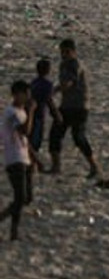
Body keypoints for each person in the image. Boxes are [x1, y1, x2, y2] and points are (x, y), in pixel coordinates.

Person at [48, 39, 101, 178]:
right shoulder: (63, 65)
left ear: (73, 51)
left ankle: (94, 166)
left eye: (67, 52)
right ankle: (56, 166)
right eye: (62, 52)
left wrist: (54, 90)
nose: (64, 54)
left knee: (78, 137)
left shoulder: (75, 64)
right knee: (55, 134)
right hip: (66, 105)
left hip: (79, 106)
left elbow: (68, 83)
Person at [0, 80, 31, 242]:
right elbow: (24, 130)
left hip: (24, 157)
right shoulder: (11, 113)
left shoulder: (21, 112)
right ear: (16, 94)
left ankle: (12, 229)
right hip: (14, 158)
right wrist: (31, 112)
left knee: (25, 198)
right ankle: (13, 232)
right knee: (20, 197)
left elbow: (25, 138)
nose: (27, 97)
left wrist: (35, 159)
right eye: (25, 93)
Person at [28, 59, 53, 173]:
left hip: (30, 114)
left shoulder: (33, 83)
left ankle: (32, 164)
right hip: (38, 114)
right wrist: (56, 114)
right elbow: (48, 100)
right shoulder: (47, 84)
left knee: (32, 139)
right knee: (36, 140)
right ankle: (34, 164)